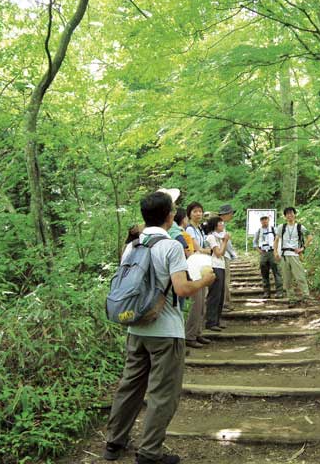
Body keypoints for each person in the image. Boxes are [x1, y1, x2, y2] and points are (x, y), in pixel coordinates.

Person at [104, 191, 215, 464]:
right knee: (163, 394)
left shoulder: (132, 246)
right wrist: (205, 281)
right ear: (168, 216)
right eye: (173, 210)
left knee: (130, 387)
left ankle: (114, 442)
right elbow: (182, 288)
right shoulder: (171, 246)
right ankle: (149, 452)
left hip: (135, 327)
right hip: (165, 331)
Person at [184, 202, 214, 348]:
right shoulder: (189, 229)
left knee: (202, 301)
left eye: (200, 211)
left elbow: (202, 248)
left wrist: (205, 250)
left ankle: (197, 332)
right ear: (189, 213)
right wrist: (209, 251)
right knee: (196, 302)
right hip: (194, 268)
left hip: (201, 265)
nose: (198, 214)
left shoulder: (199, 229)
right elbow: (198, 249)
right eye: (195, 211)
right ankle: (189, 335)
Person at [274, 207, 313, 304]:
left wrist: (303, 248)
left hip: (295, 255)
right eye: (287, 214)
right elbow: (276, 240)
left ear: (294, 214)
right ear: (285, 216)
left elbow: (309, 237)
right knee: (287, 279)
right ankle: (291, 298)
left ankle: (306, 296)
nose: (289, 215)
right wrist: (275, 252)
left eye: (291, 213)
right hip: (284, 255)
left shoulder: (300, 227)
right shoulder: (281, 227)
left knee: (300, 277)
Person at [205, 216, 231, 331]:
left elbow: (223, 252)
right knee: (214, 295)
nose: (222, 225)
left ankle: (217, 320)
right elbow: (218, 253)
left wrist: (224, 241)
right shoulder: (211, 237)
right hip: (214, 266)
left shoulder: (220, 237)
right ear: (215, 225)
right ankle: (211, 322)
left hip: (221, 265)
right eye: (220, 223)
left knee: (220, 295)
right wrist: (225, 241)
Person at [253, 215, 284, 298]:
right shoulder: (259, 231)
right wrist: (259, 251)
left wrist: (278, 252)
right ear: (260, 221)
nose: (264, 221)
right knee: (264, 273)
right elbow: (254, 243)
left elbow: (279, 240)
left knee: (277, 272)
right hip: (264, 253)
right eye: (262, 220)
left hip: (273, 252)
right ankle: (266, 292)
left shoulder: (274, 229)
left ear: (268, 220)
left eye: (265, 219)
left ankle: (279, 292)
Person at [218, 204, 238, 311]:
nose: (232, 216)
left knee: (223, 279)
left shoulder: (219, 224)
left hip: (220, 254)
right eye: (231, 213)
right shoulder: (220, 225)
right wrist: (233, 254)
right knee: (225, 280)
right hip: (222, 254)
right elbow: (226, 242)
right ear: (226, 214)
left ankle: (224, 302)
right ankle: (225, 303)